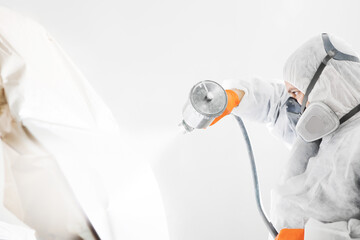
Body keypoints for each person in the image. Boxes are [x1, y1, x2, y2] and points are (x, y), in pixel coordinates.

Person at [212, 33, 360, 240]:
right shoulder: (325, 123)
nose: (296, 105)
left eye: (296, 93)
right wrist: (235, 96)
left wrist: (313, 236)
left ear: (326, 84)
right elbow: (277, 102)